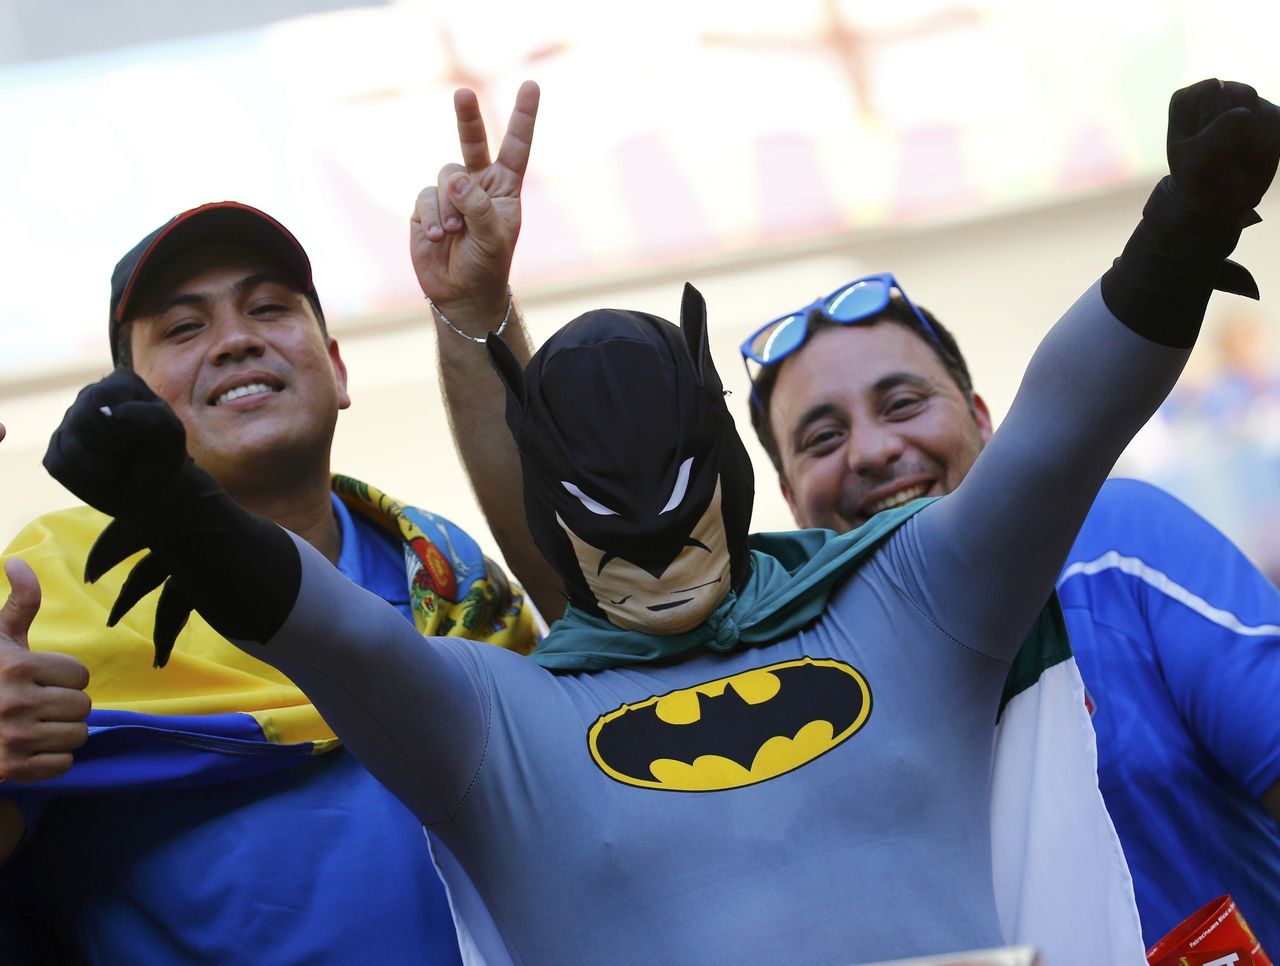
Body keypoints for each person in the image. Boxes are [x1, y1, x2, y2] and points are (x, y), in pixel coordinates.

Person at [41, 79, 1280, 963]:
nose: (647, 545)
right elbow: (328, 630)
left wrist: (1176, 237)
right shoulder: (496, 713)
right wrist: (175, 509)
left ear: (730, 482)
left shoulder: (903, 602)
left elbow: (1052, 441)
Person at [0, 87, 543, 964]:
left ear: (334, 368)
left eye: (269, 308)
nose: (235, 340)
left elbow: (592, 707)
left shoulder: (447, 577)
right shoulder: (47, 593)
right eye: (183, 327)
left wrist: (477, 305)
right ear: (128, 403)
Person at [742, 289, 1280, 945]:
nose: (873, 450)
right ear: (792, 500)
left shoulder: (1115, 542)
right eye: (824, 437)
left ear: (983, 421)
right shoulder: (793, 706)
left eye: (903, 404)